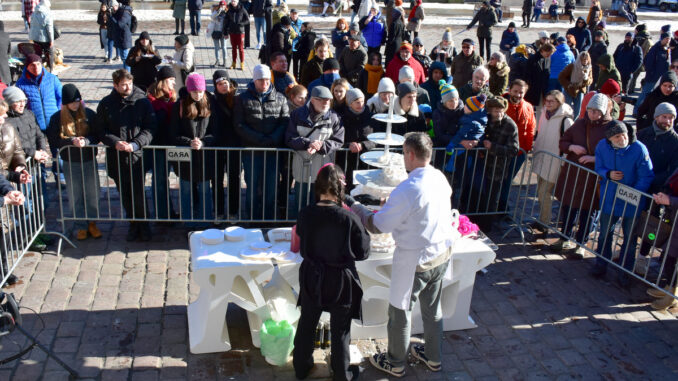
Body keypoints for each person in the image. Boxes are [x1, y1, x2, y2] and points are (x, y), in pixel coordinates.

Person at [349, 132, 454, 379]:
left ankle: (395, 362)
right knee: (432, 308)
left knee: (400, 312)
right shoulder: (438, 177)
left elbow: (378, 225)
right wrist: (391, 202)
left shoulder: (408, 188)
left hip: (416, 260)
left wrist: (356, 207)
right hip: (441, 252)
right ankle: (434, 356)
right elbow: (423, 207)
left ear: (410, 154)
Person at [292, 163, 370, 381]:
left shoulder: (305, 213)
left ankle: (301, 366)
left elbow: (301, 243)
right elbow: (363, 252)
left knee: (307, 322)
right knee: (341, 330)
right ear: (340, 188)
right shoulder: (349, 218)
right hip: (340, 280)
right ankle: (342, 373)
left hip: (312, 276)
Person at [96, 69, 156, 242]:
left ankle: (143, 225)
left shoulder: (142, 102)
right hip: (116, 157)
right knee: (125, 193)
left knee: (138, 192)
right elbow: (101, 130)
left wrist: (136, 144)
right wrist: (115, 142)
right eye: (123, 84)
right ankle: (133, 223)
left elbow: (150, 127)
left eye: (129, 83)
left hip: (137, 157)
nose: (127, 87)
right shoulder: (106, 103)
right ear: (115, 85)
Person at [591, 121, 653, 286]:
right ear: (610, 138)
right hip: (609, 198)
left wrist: (633, 193)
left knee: (630, 239)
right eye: (617, 136)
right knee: (605, 233)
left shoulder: (639, 148)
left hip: (632, 202)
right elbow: (599, 167)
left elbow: (646, 175)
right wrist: (608, 174)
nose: (622, 138)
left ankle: (625, 271)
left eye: (623, 134)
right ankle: (601, 263)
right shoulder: (602, 146)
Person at [552, 93, 611, 254]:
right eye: (591, 110)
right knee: (568, 207)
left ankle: (581, 244)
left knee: (588, 212)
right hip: (573, 175)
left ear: (604, 111)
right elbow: (563, 141)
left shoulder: (610, 128)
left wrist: (594, 158)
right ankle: (564, 238)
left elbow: (614, 153)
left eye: (597, 111)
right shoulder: (579, 124)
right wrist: (572, 147)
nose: (593, 114)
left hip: (593, 177)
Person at [45, 84, 102, 240]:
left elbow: (98, 134)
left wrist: (88, 141)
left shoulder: (89, 114)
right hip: (70, 161)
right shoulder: (57, 118)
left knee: (92, 193)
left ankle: (92, 222)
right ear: (65, 103)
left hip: (89, 159)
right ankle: (80, 225)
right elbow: (54, 140)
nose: (76, 105)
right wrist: (71, 141)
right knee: (75, 194)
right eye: (72, 102)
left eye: (78, 101)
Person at [233, 64, 289, 220]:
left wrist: (272, 138)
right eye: (260, 80)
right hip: (252, 150)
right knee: (252, 185)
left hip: (273, 150)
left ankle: (269, 217)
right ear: (254, 80)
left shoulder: (280, 98)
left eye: (266, 80)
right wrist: (258, 139)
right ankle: (252, 216)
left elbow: (284, 122)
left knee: (271, 186)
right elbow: (239, 125)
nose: (264, 83)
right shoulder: (243, 99)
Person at [285, 85, 344, 217]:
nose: (325, 103)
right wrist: (308, 143)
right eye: (321, 100)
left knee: (320, 202)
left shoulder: (334, 118)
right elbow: (289, 138)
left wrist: (322, 145)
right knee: (300, 201)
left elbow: (338, 141)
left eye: (328, 100)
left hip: (323, 169)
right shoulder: (297, 114)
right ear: (312, 100)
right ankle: (298, 227)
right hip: (302, 166)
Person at [170, 73, 215, 221]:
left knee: (205, 191)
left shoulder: (210, 104)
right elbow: (172, 133)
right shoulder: (180, 106)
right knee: (186, 190)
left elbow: (217, 132)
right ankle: (187, 221)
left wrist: (204, 142)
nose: (198, 94)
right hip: (185, 158)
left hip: (204, 158)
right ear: (189, 90)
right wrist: (188, 142)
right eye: (195, 91)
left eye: (201, 91)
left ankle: (205, 221)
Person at [472, 96, 519, 228]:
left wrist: (492, 147)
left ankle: (487, 226)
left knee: (491, 198)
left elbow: (514, 150)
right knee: (477, 193)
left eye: (501, 109)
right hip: (481, 164)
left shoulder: (510, 125)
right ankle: (475, 223)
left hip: (497, 168)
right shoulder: (485, 120)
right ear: (490, 110)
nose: (498, 112)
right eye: (495, 110)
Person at [531, 90, 574, 229]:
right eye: (546, 100)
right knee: (540, 192)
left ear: (559, 103)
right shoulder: (544, 113)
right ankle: (543, 219)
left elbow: (569, 143)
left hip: (555, 161)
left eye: (552, 101)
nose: (548, 103)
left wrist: (564, 162)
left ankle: (545, 222)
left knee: (545, 193)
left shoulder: (566, 120)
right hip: (542, 157)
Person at [145, 66, 177, 220]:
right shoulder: (152, 102)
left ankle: (168, 211)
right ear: (163, 81)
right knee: (159, 181)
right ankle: (162, 214)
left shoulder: (170, 97)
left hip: (171, 144)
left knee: (165, 179)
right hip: (158, 146)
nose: (174, 83)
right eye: (171, 80)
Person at [209, 70, 241, 218]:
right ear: (215, 85)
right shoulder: (211, 100)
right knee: (216, 180)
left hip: (234, 145)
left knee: (234, 179)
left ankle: (234, 211)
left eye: (225, 83)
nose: (223, 86)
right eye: (219, 84)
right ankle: (219, 211)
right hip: (216, 145)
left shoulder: (237, 98)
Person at [648, 171, 678, 310]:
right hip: (674, 218)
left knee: (673, 259)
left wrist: (670, 200)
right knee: (668, 257)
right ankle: (669, 288)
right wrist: (663, 195)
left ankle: (672, 296)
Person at [2, 87, 49, 169]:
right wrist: (33, 153)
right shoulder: (5, 122)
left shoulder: (29, 114)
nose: (22, 104)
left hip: (37, 163)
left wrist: (42, 150)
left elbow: (39, 135)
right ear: (9, 103)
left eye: (24, 101)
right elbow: (13, 146)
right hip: (21, 167)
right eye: (18, 102)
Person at [15, 54, 62, 134]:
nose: (36, 68)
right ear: (27, 67)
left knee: (56, 146)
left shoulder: (52, 79)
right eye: (32, 65)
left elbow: (61, 97)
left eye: (38, 64)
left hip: (54, 122)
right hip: (35, 125)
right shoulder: (20, 84)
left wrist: (58, 112)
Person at [636, 32, 671, 115]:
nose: (668, 40)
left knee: (656, 95)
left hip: (661, 77)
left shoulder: (666, 49)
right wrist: (651, 73)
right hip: (653, 76)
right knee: (645, 93)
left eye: (669, 39)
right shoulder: (655, 48)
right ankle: (637, 110)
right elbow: (648, 62)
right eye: (666, 39)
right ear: (662, 39)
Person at [558, 51, 592, 118]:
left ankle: (574, 124)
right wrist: (568, 85)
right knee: (567, 109)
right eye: (583, 60)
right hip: (569, 90)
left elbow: (590, 80)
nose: (585, 62)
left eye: (586, 60)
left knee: (577, 111)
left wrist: (586, 79)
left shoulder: (589, 68)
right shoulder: (572, 66)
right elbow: (561, 76)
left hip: (580, 90)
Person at [432, 80, 464, 149]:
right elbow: (439, 134)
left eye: (456, 99)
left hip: (461, 148)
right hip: (443, 147)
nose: (454, 103)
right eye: (450, 101)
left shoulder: (463, 110)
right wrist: (458, 141)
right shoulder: (437, 113)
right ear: (444, 101)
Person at [524, 43, 554, 108]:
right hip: (533, 87)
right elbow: (527, 74)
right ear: (543, 50)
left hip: (542, 88)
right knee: (530, 106)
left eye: (550, 54)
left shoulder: (547, 59)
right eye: (548, 53)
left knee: (541, 109)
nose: (549, 56)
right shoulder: (533, 59)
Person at [28, 0, 55, 72]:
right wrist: (51, 40)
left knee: (38, 52)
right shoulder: (47, 14)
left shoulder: (34, 13)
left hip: (35, 37)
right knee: (50, 52)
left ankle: (39, 68)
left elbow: (31, 25)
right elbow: (49, 29)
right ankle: (51, 69)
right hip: (44, 38)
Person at [223, 0, 248, 71]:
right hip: (232, 32)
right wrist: (225, 33)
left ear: (237, 2)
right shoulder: (229, 10)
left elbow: (247, 20)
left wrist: (242, 24)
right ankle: (233, 63)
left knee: (240, 49)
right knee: (233, 48)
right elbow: (226, 22)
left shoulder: (242, 9)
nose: (233, 2)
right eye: (232, 1)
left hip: (240, 32)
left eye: (234, 1)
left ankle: (242, 63)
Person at [109, 0, 133, 71]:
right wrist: (113, 13)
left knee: (126, 59)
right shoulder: (121, 11)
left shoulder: (125, 12)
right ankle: (126, 74)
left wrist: (111, 17)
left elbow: (119, 24)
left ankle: (128, 76)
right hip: (120, 38)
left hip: (124, 38)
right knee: (124, 58)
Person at [629, 24, 652, 95]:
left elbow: (634, 48)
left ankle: (630, 89)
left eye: (635, 30)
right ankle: (642, 86)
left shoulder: (639, 38)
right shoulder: (649, 38)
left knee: (634, 75)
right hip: (647, 61)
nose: (634, 32)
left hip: (640, 60)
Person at [209, 0, 228, 68]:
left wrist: (227, 32)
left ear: (225, 6)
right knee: (216, 47)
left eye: (223, 5)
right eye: (221, 5)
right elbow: (212, 17)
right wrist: (218, 11)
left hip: (223, 32)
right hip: (216, 32)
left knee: (224, 47)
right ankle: (217, 60)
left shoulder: (227, 12)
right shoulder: (216, 11)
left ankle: (225, 61)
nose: (222, 6)